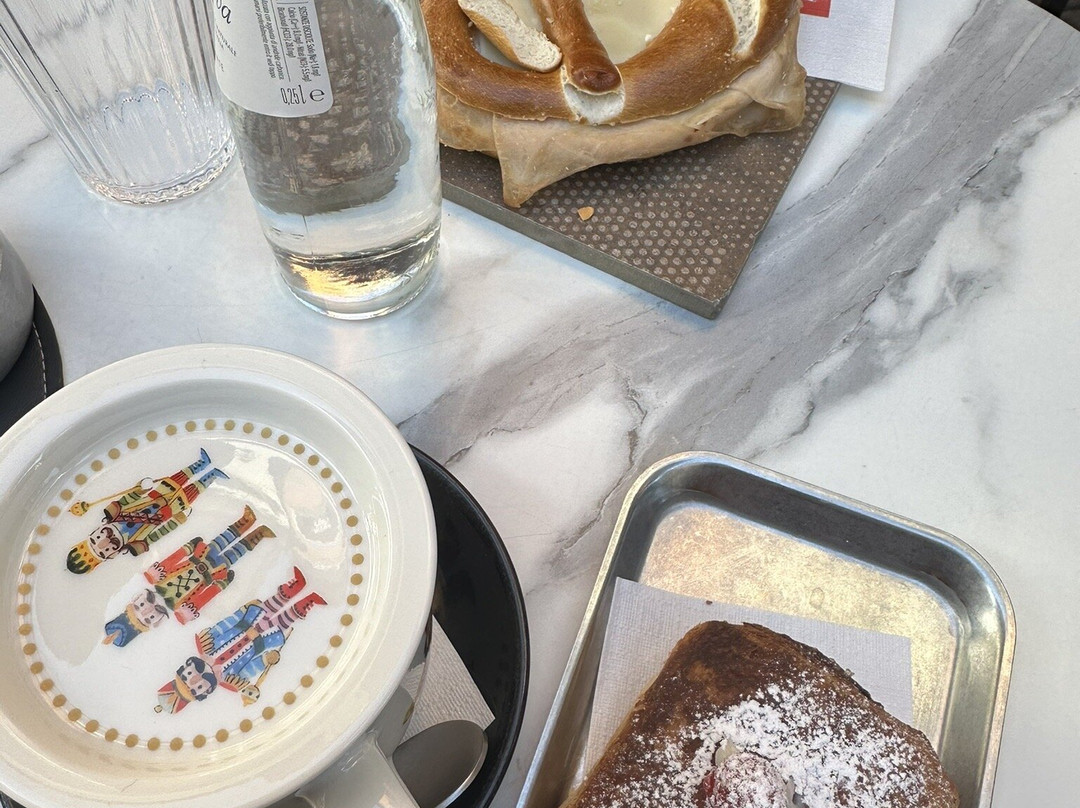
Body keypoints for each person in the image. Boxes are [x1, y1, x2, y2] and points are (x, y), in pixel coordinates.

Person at [155, 567, 326, 714]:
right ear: (204, 693)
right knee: (282, 623)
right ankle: (308, 601)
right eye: (196, 688)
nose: (195, 680)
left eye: (187, 677)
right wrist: (266, 659)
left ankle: (295, 585)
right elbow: (252, 668)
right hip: (261, 642)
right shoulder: (231, 681)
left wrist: (242, 611)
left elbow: (225, 624)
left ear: (186, 668)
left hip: (247, 622)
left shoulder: (205, 643)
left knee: (269, 606)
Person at [102, 505, 274, 647]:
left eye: (140, 606)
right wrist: (221, 585)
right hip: (213, 574)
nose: (148, 610)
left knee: (220, 541)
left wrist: (189, 547)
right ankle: (259, 534)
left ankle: (246, 520)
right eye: (148, 618)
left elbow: (172, 561)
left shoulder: (156, 578)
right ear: (156, 622)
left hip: (199, 557)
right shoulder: (181, 608)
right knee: (234, 555)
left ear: (136, 599)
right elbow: (202, 599)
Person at [66, 448, 227, 574]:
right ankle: (212, 475)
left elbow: (129, 497)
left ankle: (202, 463)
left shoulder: (113, 512)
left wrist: (141, 488)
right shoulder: (136, 545)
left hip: (155, 495)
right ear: (112, 556)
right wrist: (178, 520)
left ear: (94, 532)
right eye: (103, 552)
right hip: (169, 511)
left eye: (95, 541)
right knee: (190, 493)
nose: (105, 542)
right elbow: (160, 533)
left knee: (176, 479)